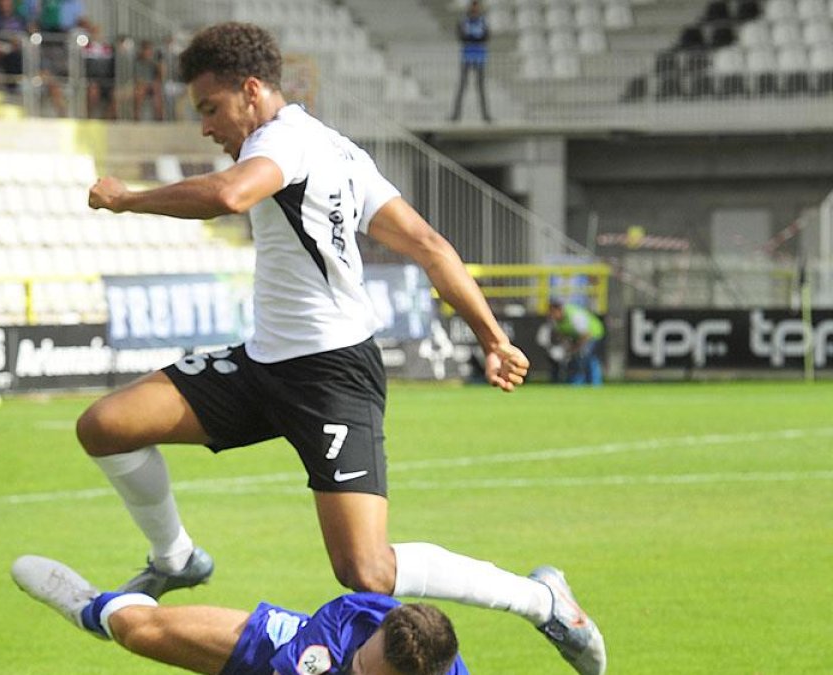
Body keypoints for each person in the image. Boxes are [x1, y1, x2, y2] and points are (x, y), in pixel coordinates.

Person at [84, 22, 604, 675]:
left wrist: (127, 199)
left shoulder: (284, 144)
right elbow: (432, 248)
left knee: (366, 570)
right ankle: (176, 558)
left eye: (210, 109)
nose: (206, 128)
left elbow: (228, 194)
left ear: (251, 91)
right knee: (106, 426)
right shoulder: (340, 150)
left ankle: (542, 600)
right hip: (262, 363)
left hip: (331, 376)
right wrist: (492, 339)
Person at [12, 554, 469, 675]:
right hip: (284, 648)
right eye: (364, 665)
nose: (361, 674)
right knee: (137, 631)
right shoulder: (352, 619)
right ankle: (90, 607)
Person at [449, 1, 491, 124]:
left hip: (479, 58)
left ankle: (485, 115)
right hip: (467, 57)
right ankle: (455, 115)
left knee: (481, 88)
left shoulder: (483, 21)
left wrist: (472, 38)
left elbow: (486, 37)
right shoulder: (463, 21)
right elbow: (462, 37)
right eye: (473, 8)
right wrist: (475, 38)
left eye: (476, 8)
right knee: (462, 86)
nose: (475, 10)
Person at [547, 299, 605, 386]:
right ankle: (576, 383)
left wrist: (575, 348)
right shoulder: (554, 320)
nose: (552, 315)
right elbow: (561, 334)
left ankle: (595, 383)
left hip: (593, 334)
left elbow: (586, 335)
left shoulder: (575, 316)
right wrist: (567, 347)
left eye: (553, 312)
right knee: (576, 359)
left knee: (587, 357)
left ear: (559, 309)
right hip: (577, 337)